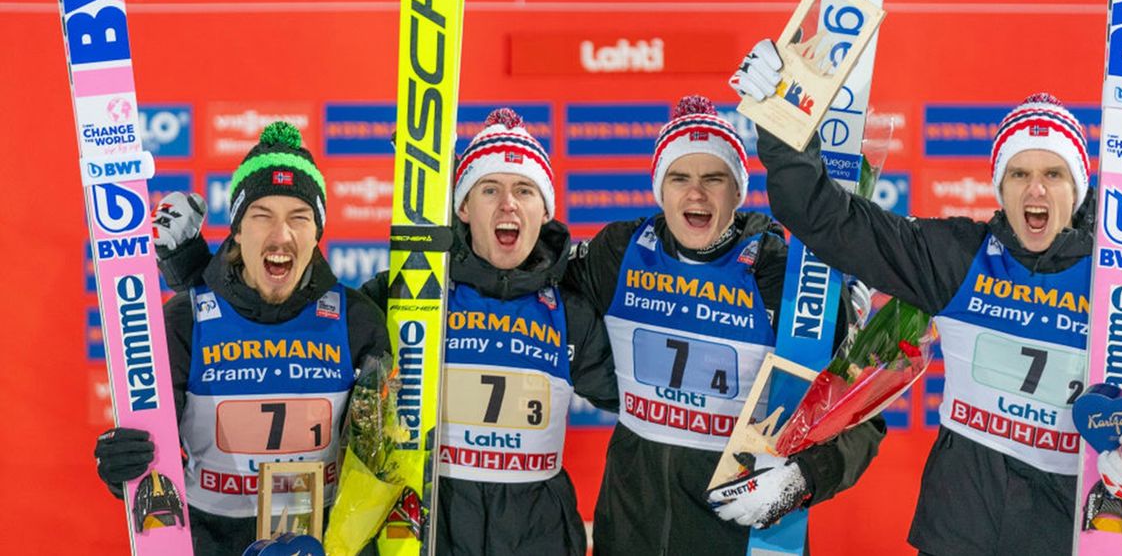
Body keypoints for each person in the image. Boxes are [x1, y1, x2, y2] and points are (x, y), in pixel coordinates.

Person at [732, 44, 1122, 555]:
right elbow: (827, 219)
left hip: (1067, 539)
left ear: (1078, 189)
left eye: (1054, 174)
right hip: (956, 536)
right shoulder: (959, 257)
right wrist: (782, 121)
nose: (1035, 191)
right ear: (1000, 187)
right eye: (1019, 174)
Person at [150, 109, 616, 556]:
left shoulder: (566, 310)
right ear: (466, 207)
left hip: (533, 536)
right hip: (429, 536)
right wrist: (193, 279)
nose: (508, 203)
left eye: (525, 191)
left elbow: (642, 402)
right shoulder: (406, 295)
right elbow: (254, 310)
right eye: (489, 189)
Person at [565, 95, 884, 556]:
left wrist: (804, 478)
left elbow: (862, 412)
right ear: (660, 188)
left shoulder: (786, 277)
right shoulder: (622, 253)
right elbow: (541, 293)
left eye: (714, 178)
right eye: (679, 178)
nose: (696, 194)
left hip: (742, 541)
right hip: (631, 535)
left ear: (737, 190)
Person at [93, 122, 391, 554]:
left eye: (299, 218)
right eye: (262, 216)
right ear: (237, 228)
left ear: (317, 233)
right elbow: (150, 459)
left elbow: (379, 460)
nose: (281, 234)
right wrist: (125, 469)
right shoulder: (185, 320)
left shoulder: (357, 321)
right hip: (208, 541)